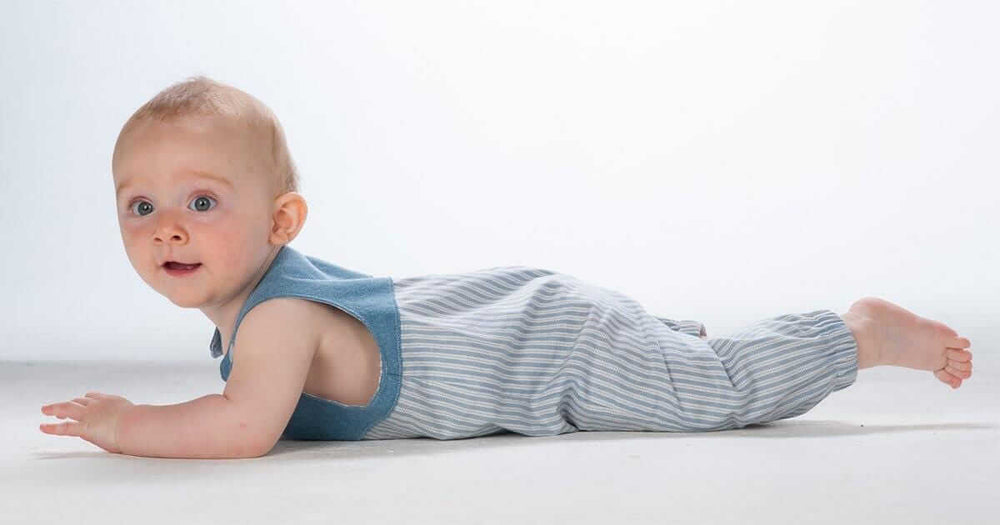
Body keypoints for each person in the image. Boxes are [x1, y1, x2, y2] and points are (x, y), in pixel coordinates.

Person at [39, 76, 974, 459]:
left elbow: (243, 427)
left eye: (202, 203)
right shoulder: (266, 308)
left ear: (282, 221)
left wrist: (127, 423)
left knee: (715, 394)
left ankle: (857, 334)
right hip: (532, 322)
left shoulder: (278, 319)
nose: (167, 229)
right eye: (140, 206)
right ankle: (669, 345)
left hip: (552, 353)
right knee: (672, 368)